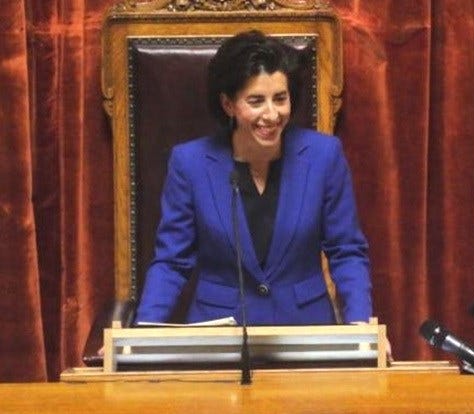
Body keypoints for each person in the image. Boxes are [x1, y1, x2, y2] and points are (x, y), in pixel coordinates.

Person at [135, 30, 372, 326]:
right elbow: (172, 262)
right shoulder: (190, 164)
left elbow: (346, 251)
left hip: (305, 327)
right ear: (228, 104)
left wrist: (361, 325)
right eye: (256, 101)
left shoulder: (324, 156)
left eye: (280, 99)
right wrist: (140, 335)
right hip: (222, 331)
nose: (272, 115)